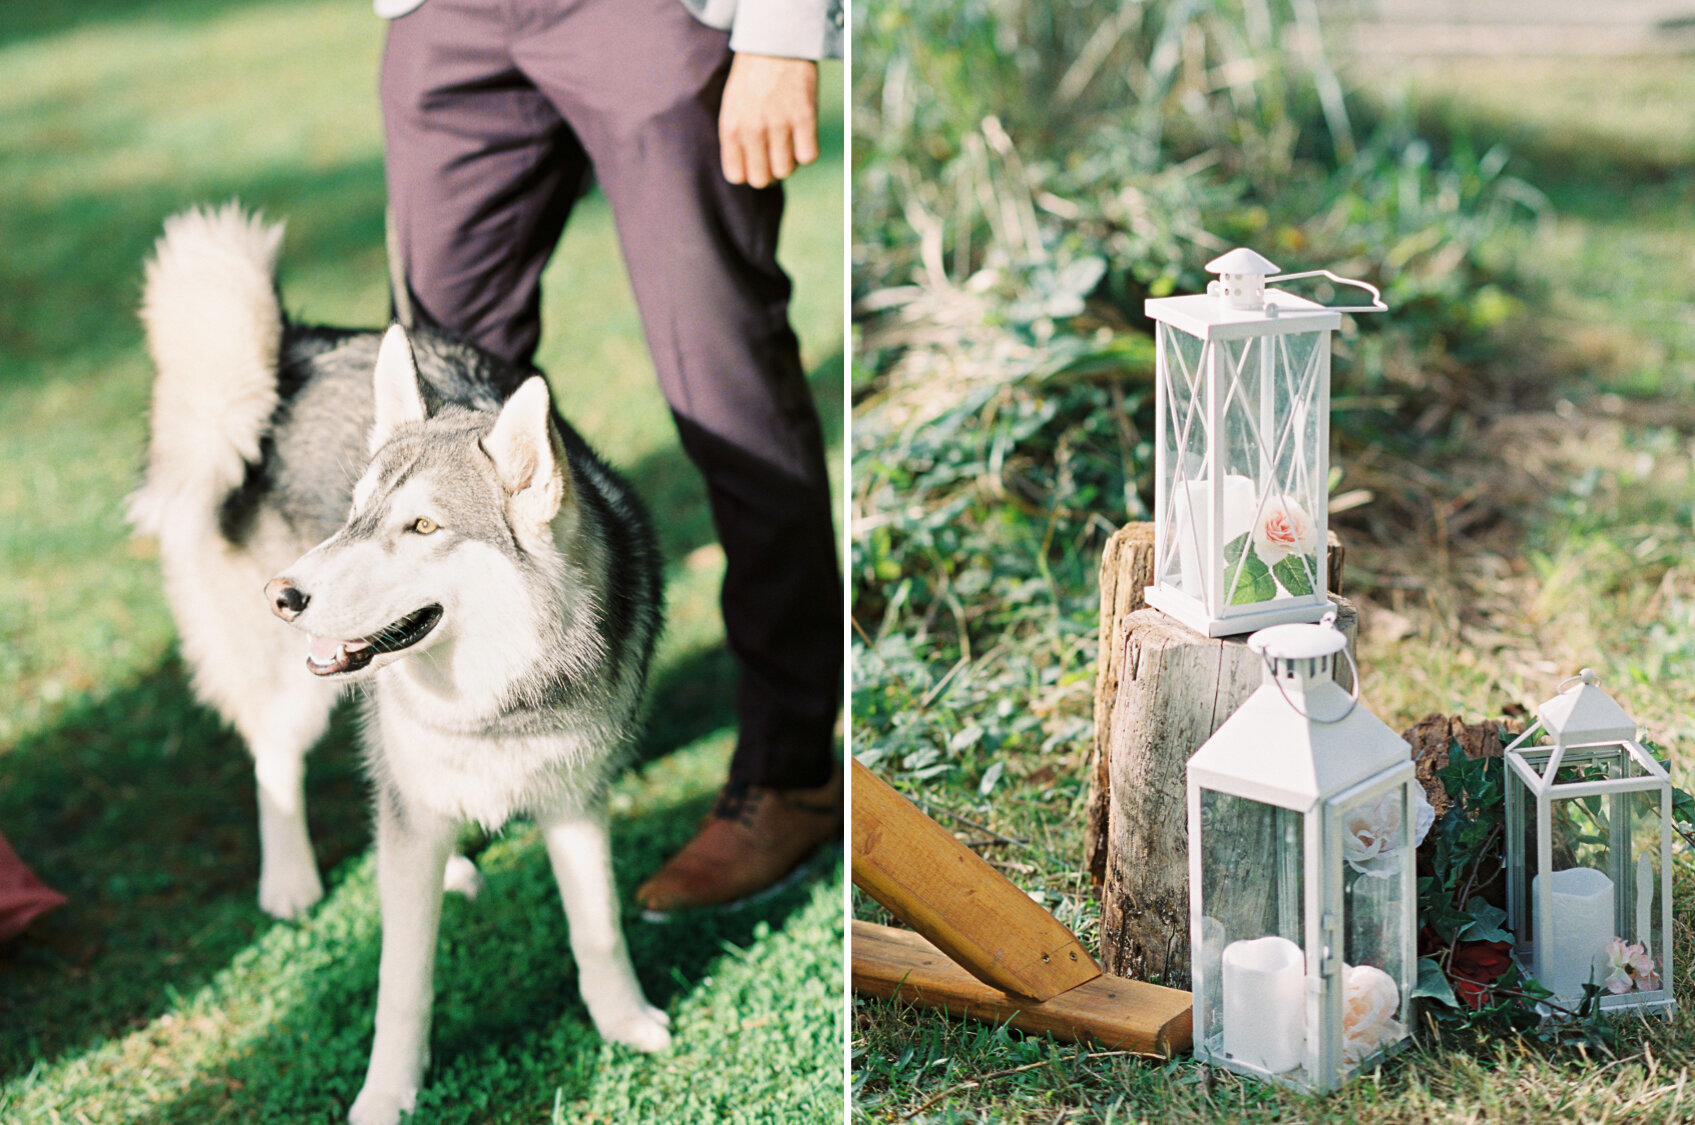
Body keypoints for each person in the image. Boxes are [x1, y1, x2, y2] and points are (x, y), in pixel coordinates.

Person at [374, 0, 844, 913]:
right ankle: (471, 748)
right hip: (446, 23)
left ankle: (790, 773)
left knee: (727, 384)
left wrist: (781, 34)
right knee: (436, 401)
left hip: (651, 20)